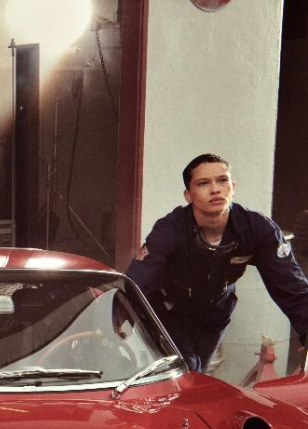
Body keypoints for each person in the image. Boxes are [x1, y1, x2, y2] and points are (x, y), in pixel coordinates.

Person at [126, 153, 308, 373]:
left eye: (222, 180)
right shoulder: (170, 228)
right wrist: (116, 318)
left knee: (198, 374)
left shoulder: (258, 229)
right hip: (169, 311)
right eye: (203, 183)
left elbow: (293, 289)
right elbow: (138, 278)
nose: (215, 189)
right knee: (185, 372)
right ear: (188, 195)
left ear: (233, 187)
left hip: (215, 314)